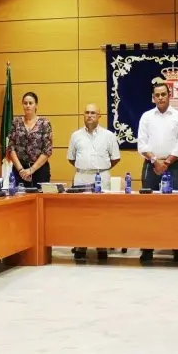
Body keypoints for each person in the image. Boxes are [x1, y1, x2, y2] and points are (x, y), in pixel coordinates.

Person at [137, 80, 178, 264]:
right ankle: (147, 249)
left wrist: (166, 162)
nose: (160, 98)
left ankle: (177, 248)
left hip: (172, 166)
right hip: (150, 165)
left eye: (163, 94)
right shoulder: (146, 117)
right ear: (153, 98)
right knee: (149, 208)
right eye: (157, 95)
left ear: (169, 96)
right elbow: (141, 144)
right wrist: (155, 161)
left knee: (174, 208)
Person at [67, 103, 121, 262]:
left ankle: (102, 246)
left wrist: (100, 168)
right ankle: (81, 246)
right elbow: (71, 158)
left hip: (101, 177)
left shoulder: (108, 135)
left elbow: (115, 158)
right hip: (81, 177)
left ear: (99, 116)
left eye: (93, 113)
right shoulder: (75, 135)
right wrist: (86, 167)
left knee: (102, 213)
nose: (89, 115)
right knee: (80, 214)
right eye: (87, 112)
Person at [7, 91, 53, 186]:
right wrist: (21, 170)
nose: (27, 106)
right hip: (19, 170)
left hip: (39, 170)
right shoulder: (16, 122)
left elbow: (47, 150)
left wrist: (31, 170)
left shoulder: (44, 123)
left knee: (40, 195)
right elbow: (11, 148)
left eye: (30, 103)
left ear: (36, 105)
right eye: (25, 103)